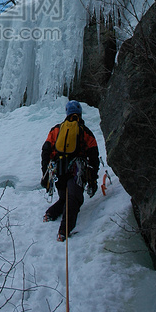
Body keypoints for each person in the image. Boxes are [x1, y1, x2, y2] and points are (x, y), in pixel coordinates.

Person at [41, 100, 99, 241]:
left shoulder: (56, 130)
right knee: (74, 199)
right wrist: (93, 179)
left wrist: (45, 174)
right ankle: (64, 231)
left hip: (59, 171)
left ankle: (50, 214)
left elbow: (46, 151)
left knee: (65, 197)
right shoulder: (86, 132)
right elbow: (93, 157)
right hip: (76, 172)